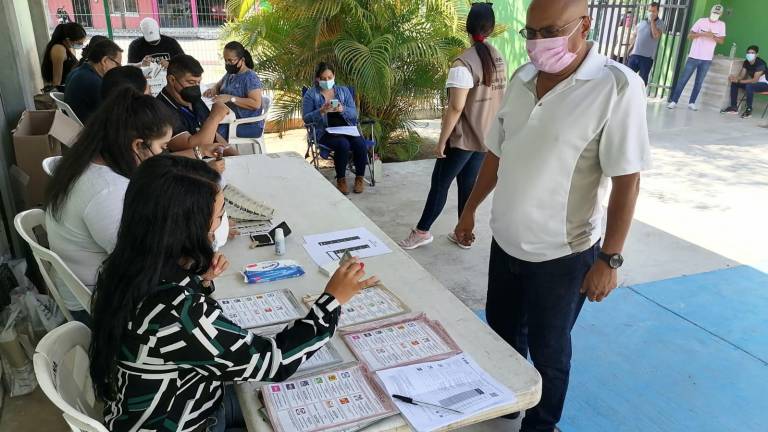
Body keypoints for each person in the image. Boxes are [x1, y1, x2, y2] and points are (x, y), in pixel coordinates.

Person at [453, 0, 651, 430]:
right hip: (505, 244)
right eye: (532, 33)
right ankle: (507, 403)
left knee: (550, 351)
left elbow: (627, 180)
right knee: (502, 337)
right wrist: (469, 211)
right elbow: (496, 155)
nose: (539, 43)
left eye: (550, 31)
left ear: (585, 25)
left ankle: (540, 425)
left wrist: (609, 259)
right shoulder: (523, 79)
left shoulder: (617, 86)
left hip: (563, 256)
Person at [88, 154, 377, 432]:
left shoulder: (127, 265)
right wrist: (332, 300)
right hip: (185, 420)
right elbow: (273, 362)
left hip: (160, 404)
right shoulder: (176, 312)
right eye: (219, 215)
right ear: (187, 228)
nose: (223, 223)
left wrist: (200, 281)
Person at [44, 88, 175, 324]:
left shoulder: (88, 160)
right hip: (95, 306)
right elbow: (145, 264)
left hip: (86, 286)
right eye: (163, 148)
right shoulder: (107, 190)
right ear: (138, 145)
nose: (164, 156)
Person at [398, 3, 507, 250]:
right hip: (486, 137)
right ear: (490, 28)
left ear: (467, 27)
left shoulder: (463, 64)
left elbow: (455, 108)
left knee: (440, 184)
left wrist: (441, 141)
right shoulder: (497, 57)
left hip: (462, 139)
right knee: (468, 185)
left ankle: (422, 231)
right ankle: (463, 233)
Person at [302, 62, 368, 194]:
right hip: (325, 132)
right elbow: (306, 118)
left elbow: (354, 114)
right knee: (342, 144)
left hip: (346, 128)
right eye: (324, 79)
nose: (327, 81)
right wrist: (320, 111)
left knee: (360, 144)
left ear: (334, 76)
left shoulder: (343, 91)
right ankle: (341, 180)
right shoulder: (311, 94)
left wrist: (342, 109)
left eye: (330, 77)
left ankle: (359, 178)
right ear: (317, 79)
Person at [158, 54, 237, 158]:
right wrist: (215, 117)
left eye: (198, 83)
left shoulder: (192, 98)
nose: (195, 87)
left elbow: (211, 133)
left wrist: (232, 153)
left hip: (211, 162)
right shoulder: (161, 109)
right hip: (188, 168)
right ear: (172, 80)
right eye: (191, 82)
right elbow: (193, 148)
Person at [668, 4, 726, 111]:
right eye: (714, 12)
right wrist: (702, 34)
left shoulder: (721, 25)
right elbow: (690, 36)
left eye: (717, 13)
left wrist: (712, 36)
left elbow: (722, 41)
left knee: (699, 82)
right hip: (694, 56)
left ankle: (692, 102)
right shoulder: (701, 21)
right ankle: (674, 101)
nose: (715, 15)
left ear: (720, 14)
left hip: (707, 59)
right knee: (683, 80)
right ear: (710, 12)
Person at [204, 41, 264, 141]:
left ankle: (216, 155)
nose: (228, 64)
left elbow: (256, 103)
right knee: (205, 125)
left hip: (247, 124)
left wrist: (230, 98)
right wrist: (214, 89)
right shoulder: (231, 73)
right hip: (229, 119)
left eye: (231, 60)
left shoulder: (250, 78)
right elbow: (219, 84)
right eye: (225, 60)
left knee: (211, 132)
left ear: (242, 60)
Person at [64, 39, 123, 123]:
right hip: (90, 129)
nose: (118, 69)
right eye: (117, 65)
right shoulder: (93, 82)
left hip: (75, 124)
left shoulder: (77, 72)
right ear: (104, 61)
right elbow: (113, 115)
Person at [720, 45, 768, 119]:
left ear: (757, 54)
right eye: (748, 53)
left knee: (749, 86)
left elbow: (754, 80)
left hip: (765, 85)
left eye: (752, 53)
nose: (750, 54)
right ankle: (734, 108)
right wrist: (734, 78)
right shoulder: (746, 62)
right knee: (735, 83)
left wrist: (739, 80)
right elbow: (741, 76)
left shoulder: (761, 64)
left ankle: (749, 110)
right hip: (754, 84)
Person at [40, 22, 86, 91]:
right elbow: (56, 81)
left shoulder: (69, 47)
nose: (81, 45)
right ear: (68, 40)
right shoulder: (59, 49)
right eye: (79, 43)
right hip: (63, 90)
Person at [627, 2, 664, 85]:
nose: (651, 13)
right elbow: (635, 36)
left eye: (653, 11)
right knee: (627, 78)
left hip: (647, 58)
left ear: (658, 12)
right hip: (634, 55)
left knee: (642, 82)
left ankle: (640, 97)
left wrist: (652, 21)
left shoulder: (660, 23)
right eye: (649, 11)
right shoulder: (642, 22)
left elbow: (655, 36)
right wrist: (630, 50)